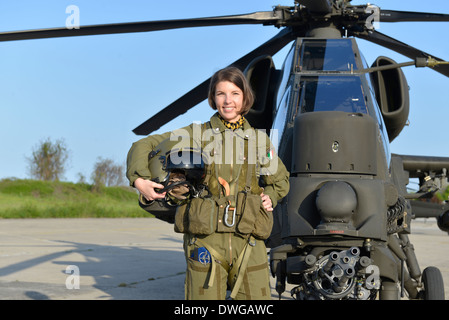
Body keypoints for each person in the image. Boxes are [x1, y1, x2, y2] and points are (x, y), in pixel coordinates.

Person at [126, 66, 290, 300]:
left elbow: (280, 182)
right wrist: (139, 180)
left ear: (245, 97)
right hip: (205, 242)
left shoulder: (258, 141)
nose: (228, 100)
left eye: (234, 93)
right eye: (221, 94)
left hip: (248, 244)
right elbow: (143, 145)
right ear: (213, 98)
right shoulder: (196, 134)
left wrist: (271, 196)